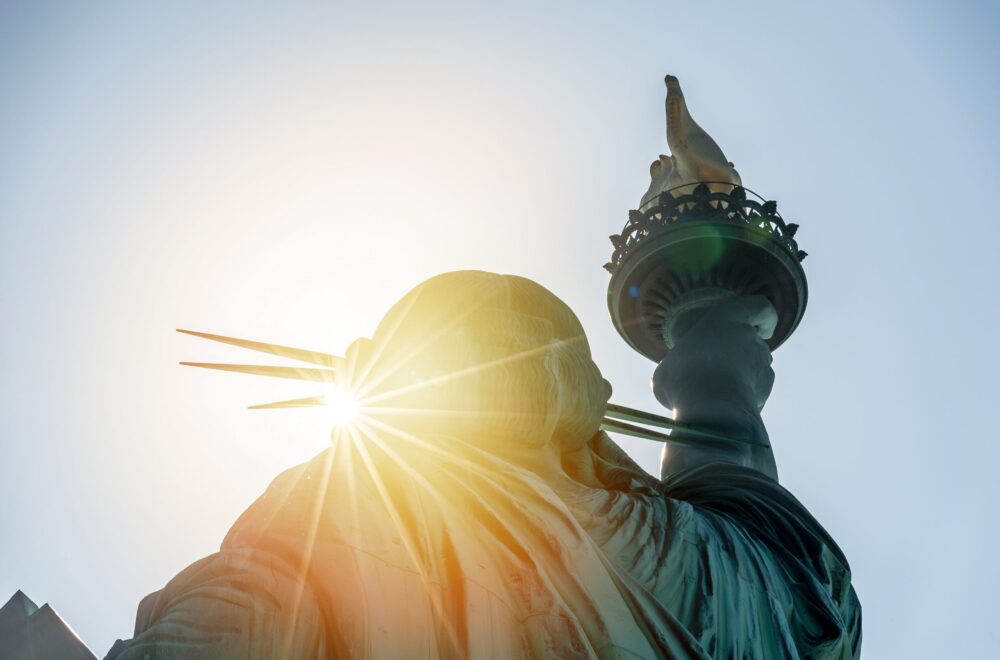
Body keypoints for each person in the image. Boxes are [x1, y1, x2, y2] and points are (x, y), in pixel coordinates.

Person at [106, 271, 860, 659]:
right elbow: (799, 585)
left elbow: (238, 618)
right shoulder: (691, 553)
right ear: (584, 395)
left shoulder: (348, 500)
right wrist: (714, 333)